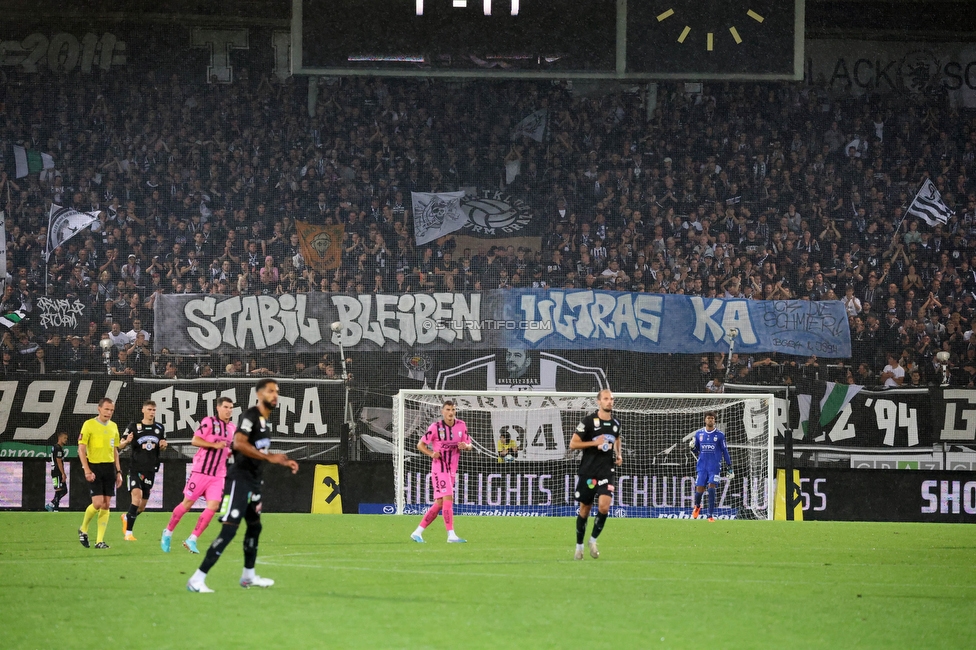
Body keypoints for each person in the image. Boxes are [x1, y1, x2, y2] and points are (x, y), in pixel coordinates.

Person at [187, 379, 298, 593]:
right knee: (230, 529)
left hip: (254, 481)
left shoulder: (265, 422)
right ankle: (196, 579)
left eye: (276, 391)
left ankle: (248, 576)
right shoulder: (251, 415)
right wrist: (271, 458)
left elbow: (257, 450)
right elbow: (238, 443)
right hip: (240, 479)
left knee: (255, 526)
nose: (274, 395)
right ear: (259, 395)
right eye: (270, 391)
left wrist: (278, 459)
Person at [162, 396, 236, 554]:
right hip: (201, 471)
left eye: (231, 407)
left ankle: (192, 539)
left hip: (218, 475)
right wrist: (214, 445)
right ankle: (168, 532)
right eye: (226, 407)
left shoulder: (232, 428)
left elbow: (228, 448)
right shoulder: (209, 422)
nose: (229, 410)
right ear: (218, 408)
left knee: (213, 506)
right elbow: (195, 440)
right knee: (187, 504)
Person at [569, 389, 622, 560]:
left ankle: (593, 540)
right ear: (598, 402)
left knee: (604, 506)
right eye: (606, 399)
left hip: (606, 470)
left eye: (611, 399)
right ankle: (579, 547)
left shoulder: (615, 423)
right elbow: (573, 444)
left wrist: (618, 454)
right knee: (585, 510)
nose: (609, 402)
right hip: (589, 471)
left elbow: (617, 437)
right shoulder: (589, 421)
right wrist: (594, 443)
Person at [410, 400, 473, 543]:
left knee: (439, 503)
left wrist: (466, 446)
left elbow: (469, 445)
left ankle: (417, 532)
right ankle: (451, 535)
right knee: (448, 498)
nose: (451, 412)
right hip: (439, 469)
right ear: (442, 411)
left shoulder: (461, 426)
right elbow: (420, 445)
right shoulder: (435, 427)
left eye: (453, 409)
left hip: (452, 470)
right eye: (448, 409)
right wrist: (431, 453)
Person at [77, 398, 123, 549]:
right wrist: (87, 469)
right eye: (106, 409)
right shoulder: (89, 424)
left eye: (111, 410)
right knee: (97, 503)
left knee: (106, 504)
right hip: (94, 467)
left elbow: (115, 450)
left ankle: (99, 541)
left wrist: (118, 471)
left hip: (109, 468)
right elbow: (81, 449)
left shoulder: (114, 427)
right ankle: (83, 529)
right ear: (99, 409)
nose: (109, 412)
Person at [119, 400, 167, 541]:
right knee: (136, 498)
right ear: (143, 410)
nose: (152, 412)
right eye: (149, 409)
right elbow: (120, 445)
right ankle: (128, 534)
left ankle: (126, 516)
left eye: (154, 410)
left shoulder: (159, 428)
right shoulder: (133, 426)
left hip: (150, 470)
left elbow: (162, 445)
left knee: (141, 507)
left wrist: (163, 445)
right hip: (135, 469)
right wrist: (126, 441)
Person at [690, 412, 733, 521]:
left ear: (714, 421)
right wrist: (692, 447)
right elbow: (697, 450)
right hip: (702, 466)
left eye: (712, 418)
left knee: (711, 489)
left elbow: (725, 451)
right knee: (699, 489)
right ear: (705, 420)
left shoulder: (720, 435)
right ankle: (697, 506)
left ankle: (710, 515)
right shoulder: (699, 434)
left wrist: (729, 466)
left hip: (714, 467)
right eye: (708, 418)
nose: (710, 420)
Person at [45, 432, 69, 512]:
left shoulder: (54, 447)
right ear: (60, 438)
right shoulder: (58, 448)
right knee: (59, 489)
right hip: (57, 471)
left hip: (54, 471)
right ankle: (55, 508)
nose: (66, 440)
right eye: (65, 438)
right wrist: (63, 473)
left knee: (64, 490)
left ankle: (51, 504)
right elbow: (58, 461)